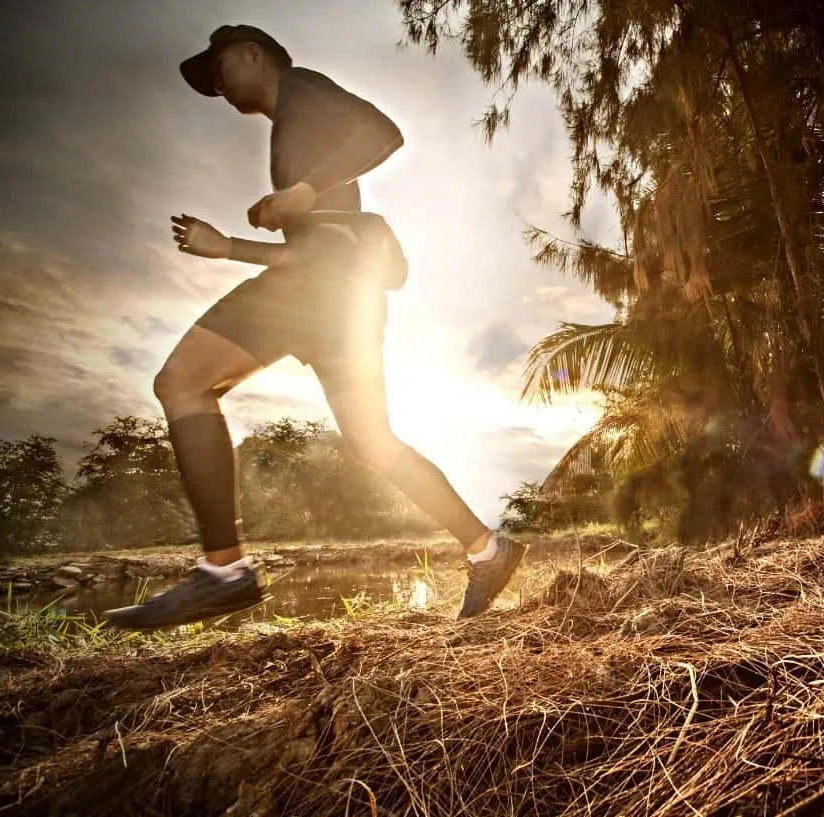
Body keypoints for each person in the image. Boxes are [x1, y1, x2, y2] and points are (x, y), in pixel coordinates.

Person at [103, 24, 524, 629]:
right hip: (339, 300)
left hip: (317, 293)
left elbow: (385, 132)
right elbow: (318, 250)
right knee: (374, 444)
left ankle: (224, 571)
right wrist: (234, 246)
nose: (216, 85)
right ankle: (490, 549)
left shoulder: (300, 88)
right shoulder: (295, 126)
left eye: (219, 68)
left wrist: (298, 192)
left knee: (182, 382)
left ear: (254, 53)